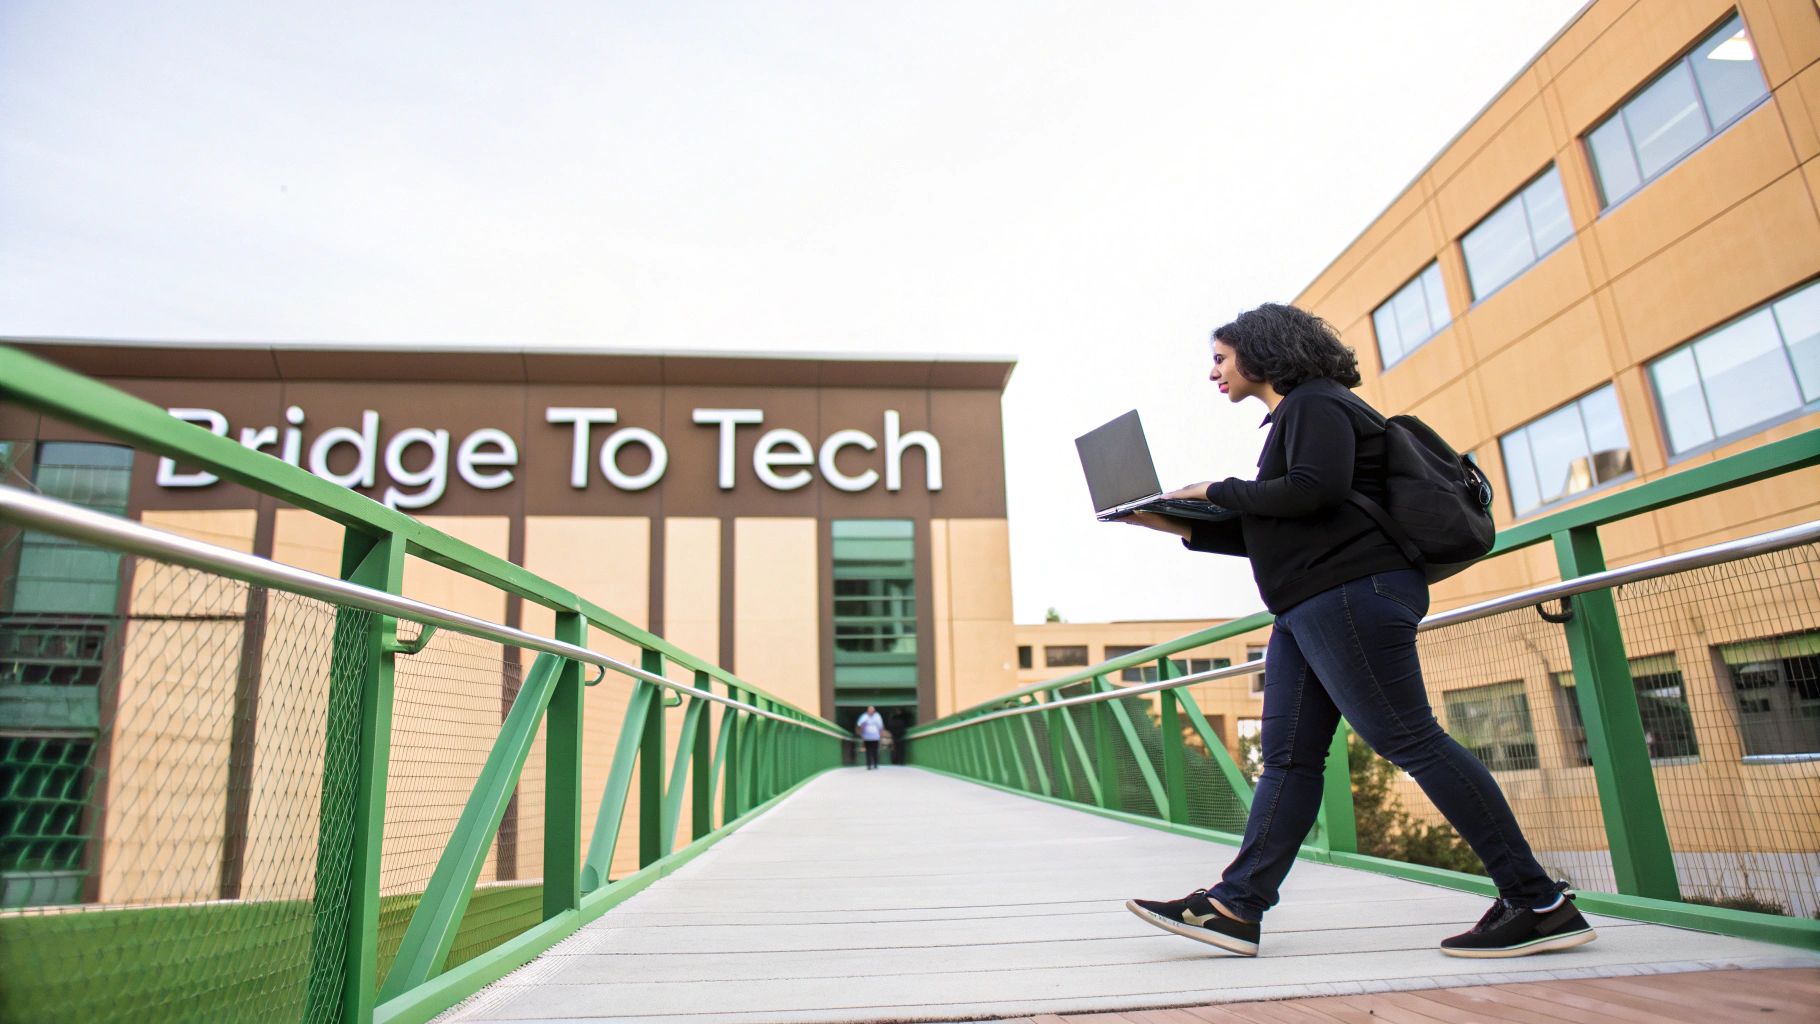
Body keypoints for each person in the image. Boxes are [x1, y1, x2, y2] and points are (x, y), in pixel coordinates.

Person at [1121, 303, 1595, 960]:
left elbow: (1313, 490)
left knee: (1411, 740)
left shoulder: (1317, 404)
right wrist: (1170, 519)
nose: (1213, 373)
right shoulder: (1297, 417)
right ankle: (1237, 906)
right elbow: (1282, 521)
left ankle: (1536, 901)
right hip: (1308, 606)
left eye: (1220, 358)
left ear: (1262, 352)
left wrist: (1216, 489)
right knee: (1287, 759)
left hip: (1351, 594)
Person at [857, 705, 884, 770]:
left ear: (874, 710)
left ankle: (875, 764)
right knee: (868, 751)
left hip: (875, 737)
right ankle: (868, 765)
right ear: (867, 710)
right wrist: (861, 733)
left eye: (872, 710)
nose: (871, 711)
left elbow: (880, 726)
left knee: (875, 751)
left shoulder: (877, 716)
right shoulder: (864, 716)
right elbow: (859, 725)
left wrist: (881, 734)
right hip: (867, 737)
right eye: (870, 710)